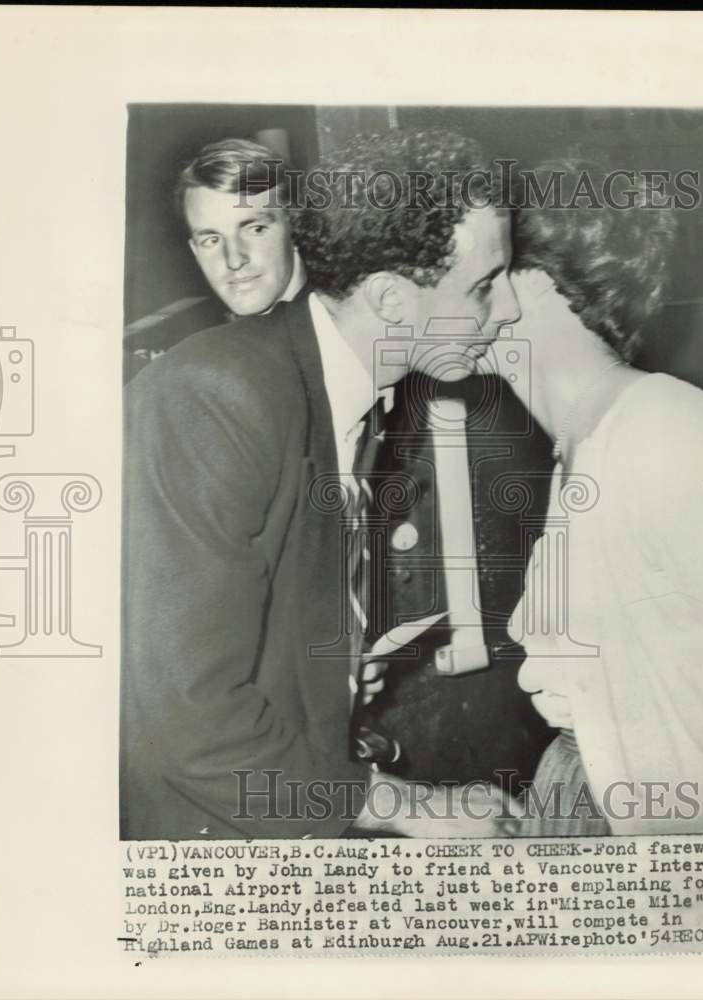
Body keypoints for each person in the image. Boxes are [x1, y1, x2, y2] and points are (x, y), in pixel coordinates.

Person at [121, 128, 523, 839]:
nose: (510, 310)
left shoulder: (353, 398)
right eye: (486, 286)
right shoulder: (218, 396)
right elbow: (185, 718)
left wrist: (333, 671)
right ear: (392, 301)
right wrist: (413, 807)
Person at [502, 160, 703, 835]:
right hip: (586, 796)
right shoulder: (575, 446)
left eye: (485, 280)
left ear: (537, 286)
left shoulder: (668, 428)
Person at [124, 138, 307, 381]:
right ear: (195, 251)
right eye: (211, 240)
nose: (234, 260)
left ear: (297, 227)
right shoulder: (194, 361)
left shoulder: (354, 335)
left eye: (255, 229)